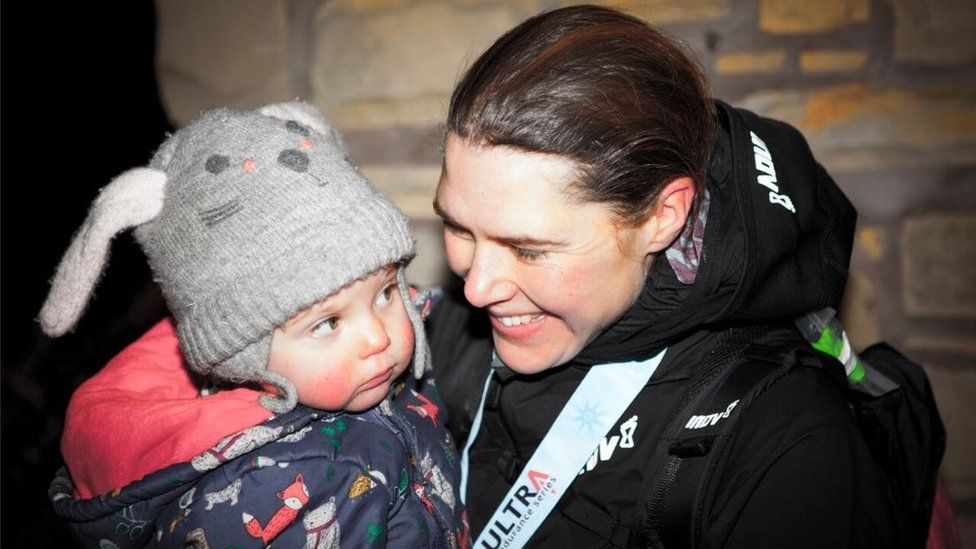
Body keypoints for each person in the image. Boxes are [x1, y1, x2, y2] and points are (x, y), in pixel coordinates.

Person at [425, 5, 900, 547]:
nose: (476, 287)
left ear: (661, 217)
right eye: (459, 228)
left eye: (527, 250)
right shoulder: (435, 333)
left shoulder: (788, 448)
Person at [41, 103, 467, 548]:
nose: (378, 337)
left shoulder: (364, 374)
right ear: (243, 352)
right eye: (327, 323)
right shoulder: (267, 492)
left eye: (384, 293)